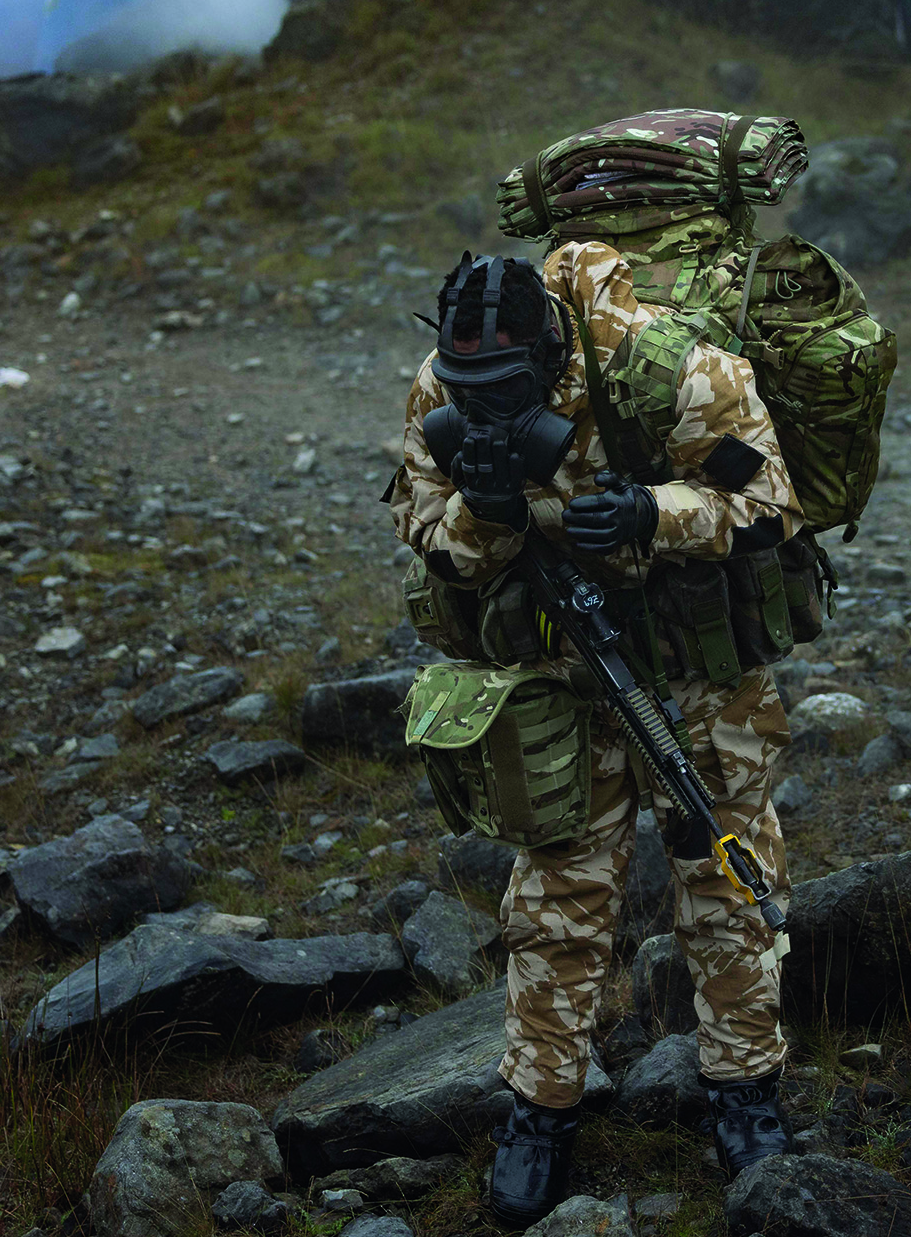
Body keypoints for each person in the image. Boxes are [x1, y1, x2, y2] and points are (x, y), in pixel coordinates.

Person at [387, 239, 800, 1228]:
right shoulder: (437, 390)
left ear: (551, 353)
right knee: (556, 901)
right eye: (463, 383)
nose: (479, 403)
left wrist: (655, 512)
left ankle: (744, 1096)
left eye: (502, 386)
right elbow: (424, 533)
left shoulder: (665, 367)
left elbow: (770, 500)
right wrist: (485, 517)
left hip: (693, 673)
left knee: (725, 887)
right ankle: (539, 1112)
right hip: (554, 673)